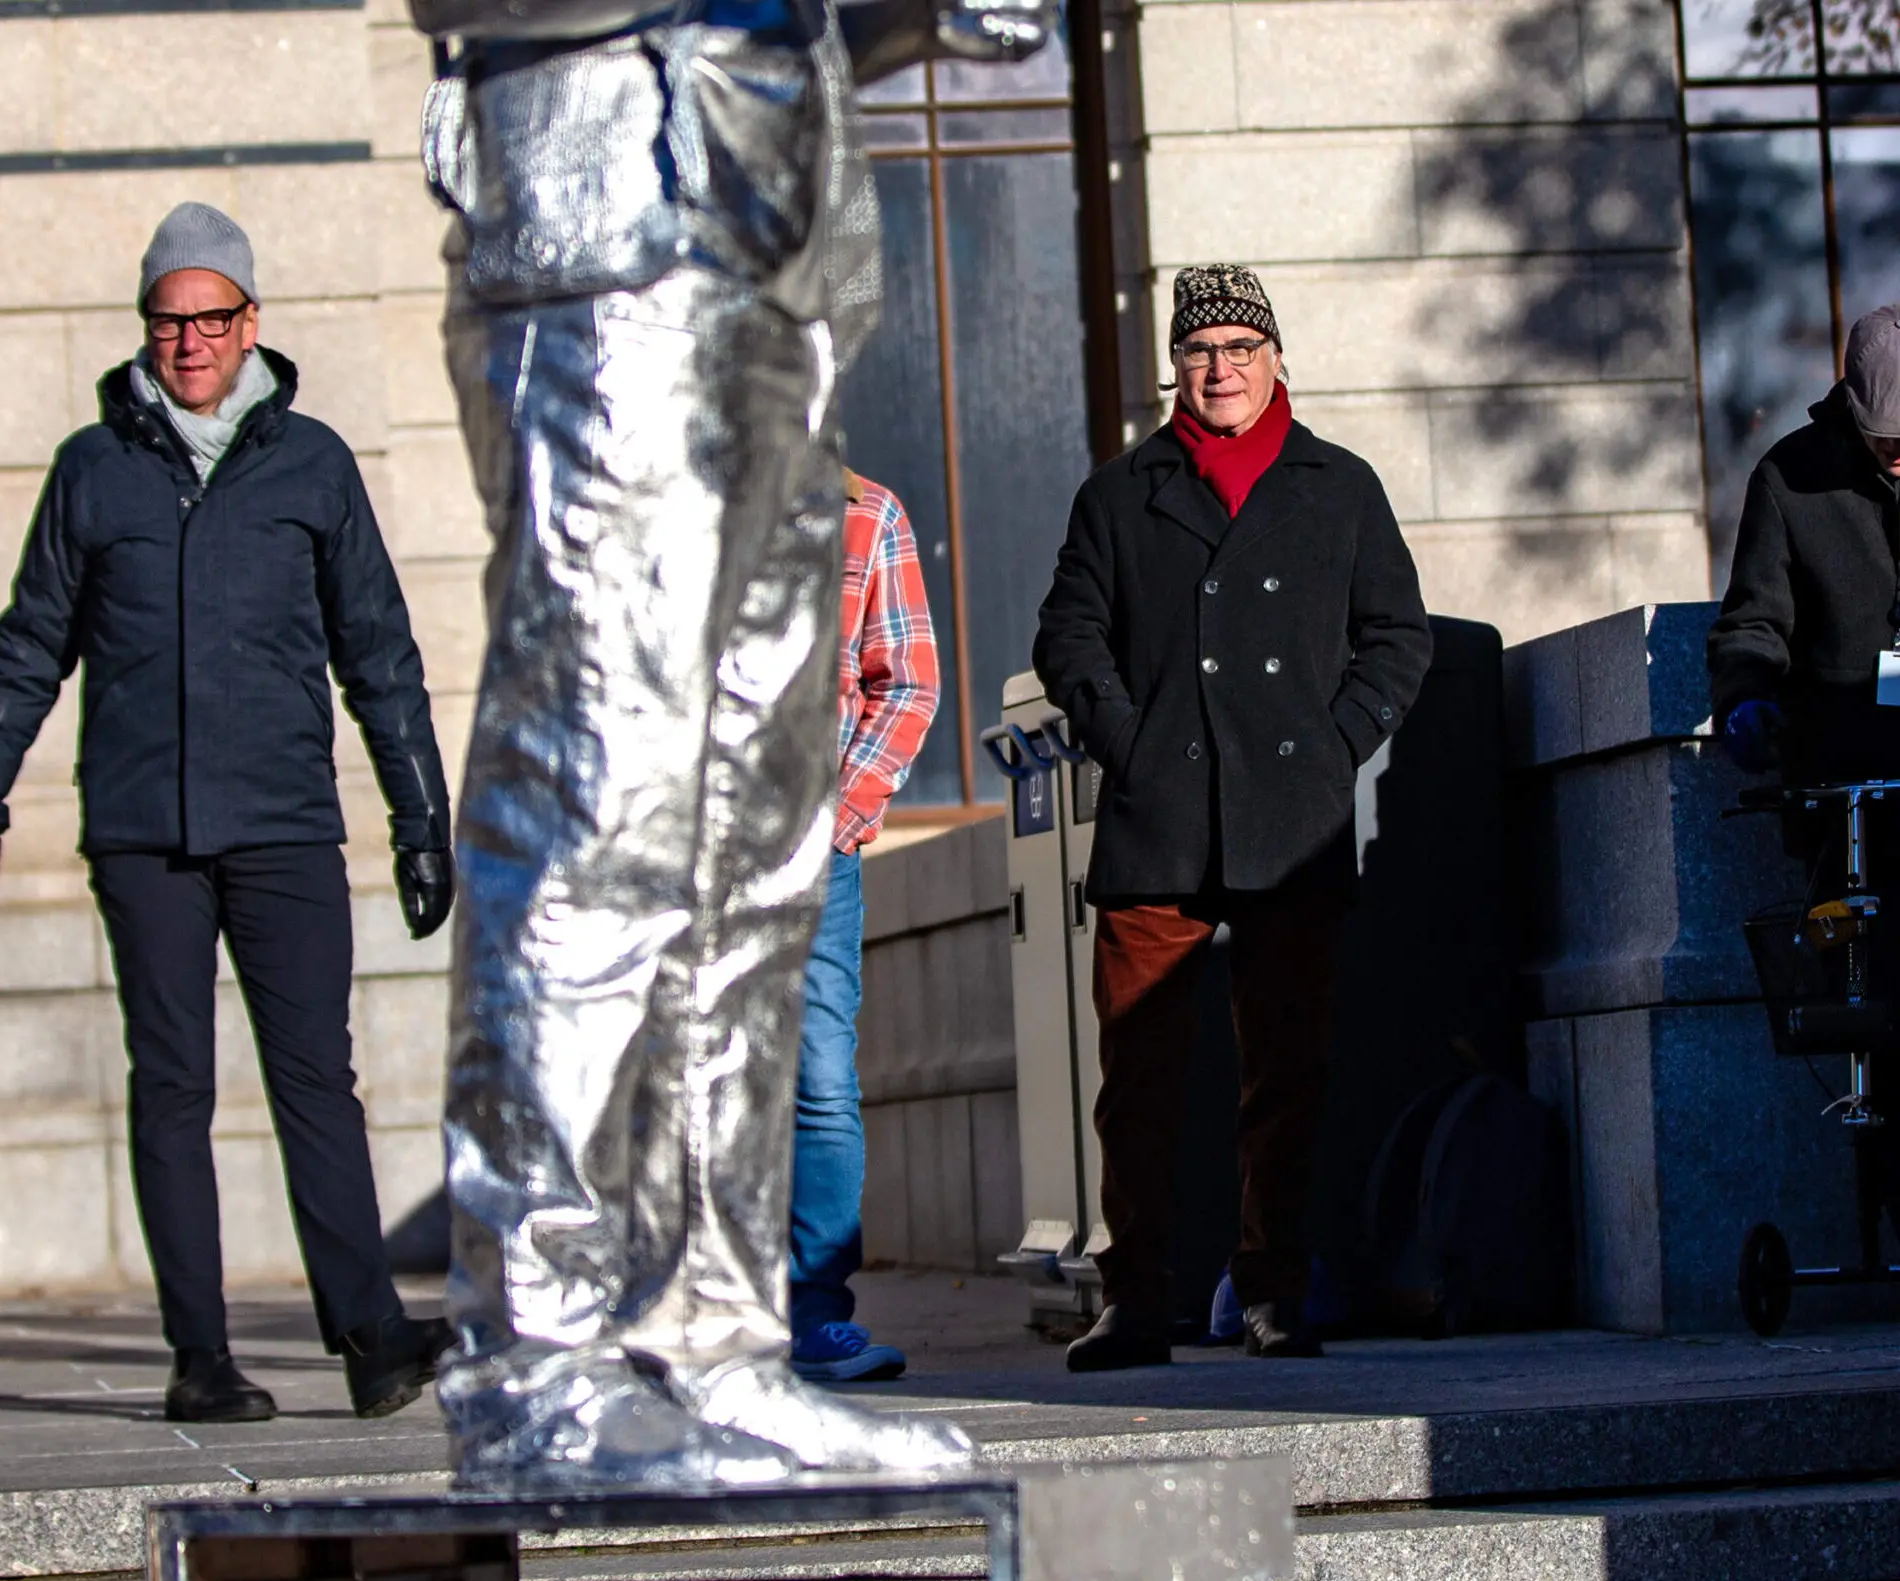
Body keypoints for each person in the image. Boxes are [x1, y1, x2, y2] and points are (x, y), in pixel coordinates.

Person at [412, 0, 1044, 1487]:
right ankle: (537, 1356)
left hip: (783, 243)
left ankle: (712, 1340)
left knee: (755, 856)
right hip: (607, 197)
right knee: (601, 811)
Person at [0, 203, 456, 1426]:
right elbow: (31, 646)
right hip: (142, 833)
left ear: (250, 323)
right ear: (146, 331)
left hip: (283, 822)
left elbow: (376, 650)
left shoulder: (312, 464)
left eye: (210, 320)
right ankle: (201, 1358)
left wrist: (419, 814)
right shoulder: (93, 468)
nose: (189, 344)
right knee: (170, 1084)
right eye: (168, 323)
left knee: (314, 1083)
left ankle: (372, 1338)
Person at [1032, 264, 1432, 1374]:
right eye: (1200, 350)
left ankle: (1271, 1290)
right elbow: (1066, 637)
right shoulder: (1119, 493)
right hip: (1157, 817)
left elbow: (1397, 637)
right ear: (1175, 365)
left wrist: (1336, 739)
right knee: (1141, 1079)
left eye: (1239, 349)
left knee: (1286, 1071)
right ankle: (1136, 1300)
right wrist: (1128, 739)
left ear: (1273, 361)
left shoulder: (1338, 486)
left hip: (1289, 820)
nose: (1220, 369)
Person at [789, 471, 941, 1384]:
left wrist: (843, 813)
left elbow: (908, 679)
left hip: (815, 849)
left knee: (818, 1079)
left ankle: (815, 1314)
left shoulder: (866, 510)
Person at [1710, 303, 1900, 789]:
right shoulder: (1790, 479)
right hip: (1844, 779)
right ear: (1853, 408)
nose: (1897, 450)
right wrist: (1743, 701)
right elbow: (1754, 624)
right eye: (1884, 436)